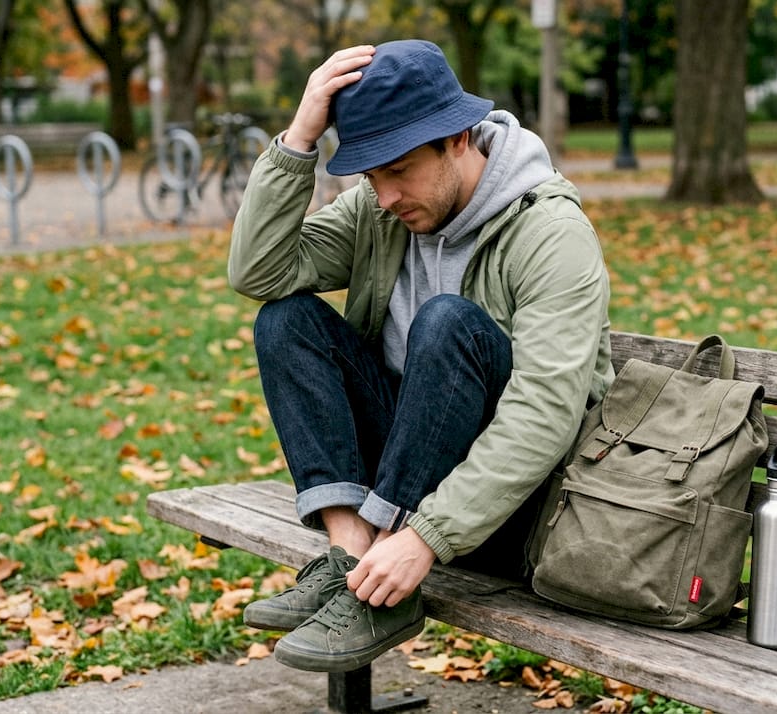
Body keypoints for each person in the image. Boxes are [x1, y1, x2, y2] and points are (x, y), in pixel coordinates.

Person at [227, 39, 613, 673]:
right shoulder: (381, 212)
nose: (384, 196)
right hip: (401, 487)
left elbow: (546, 412)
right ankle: (352, 554)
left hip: (513, 508)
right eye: (370, 176)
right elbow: (260, 271)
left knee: (448, 324)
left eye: (398, 170)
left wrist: (425, 537)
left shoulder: (549, 232)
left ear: (458, 139)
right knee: (286, 318)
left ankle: (381, 584)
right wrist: (298, 137)